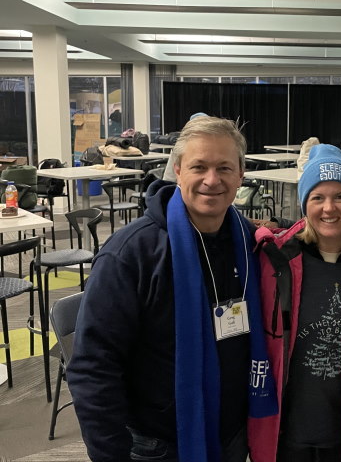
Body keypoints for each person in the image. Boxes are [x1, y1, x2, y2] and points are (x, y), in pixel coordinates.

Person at [66, 116, 278, 462]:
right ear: (177, 170)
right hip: (157, 445)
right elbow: (93, 365)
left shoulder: (246, 240)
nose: (212, 180)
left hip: (233, 436)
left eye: (224, 167)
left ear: (241, 175)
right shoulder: (132, 253)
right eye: (199, 166)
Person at [248, 144, 341, 462]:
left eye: (340, 196)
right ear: (304, 203)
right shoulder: (274, 258)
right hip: (286, 428)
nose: (329, 208)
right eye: (317, 197)